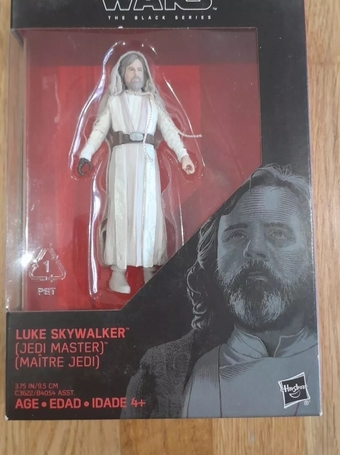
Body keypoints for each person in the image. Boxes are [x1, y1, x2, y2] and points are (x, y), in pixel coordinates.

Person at [122, 165, 319, 418]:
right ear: (213, 258)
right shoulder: (162, 373)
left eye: (278, 234)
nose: (254, 249)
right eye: (237, 235)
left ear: (311, 254)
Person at [77, 51, 195, 294]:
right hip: (121, 160)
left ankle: (149, 266)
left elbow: (169, 130)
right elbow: (99, 130)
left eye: (140, 69)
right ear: (123, 73)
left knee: (149, 211)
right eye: (131, 69)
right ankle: (118, 272)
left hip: (147, 161)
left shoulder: (153, 103)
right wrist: (85, 154)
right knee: (121, 211)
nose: (136, 74)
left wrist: (184, 155)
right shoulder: (114, 102)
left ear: (146, 74)